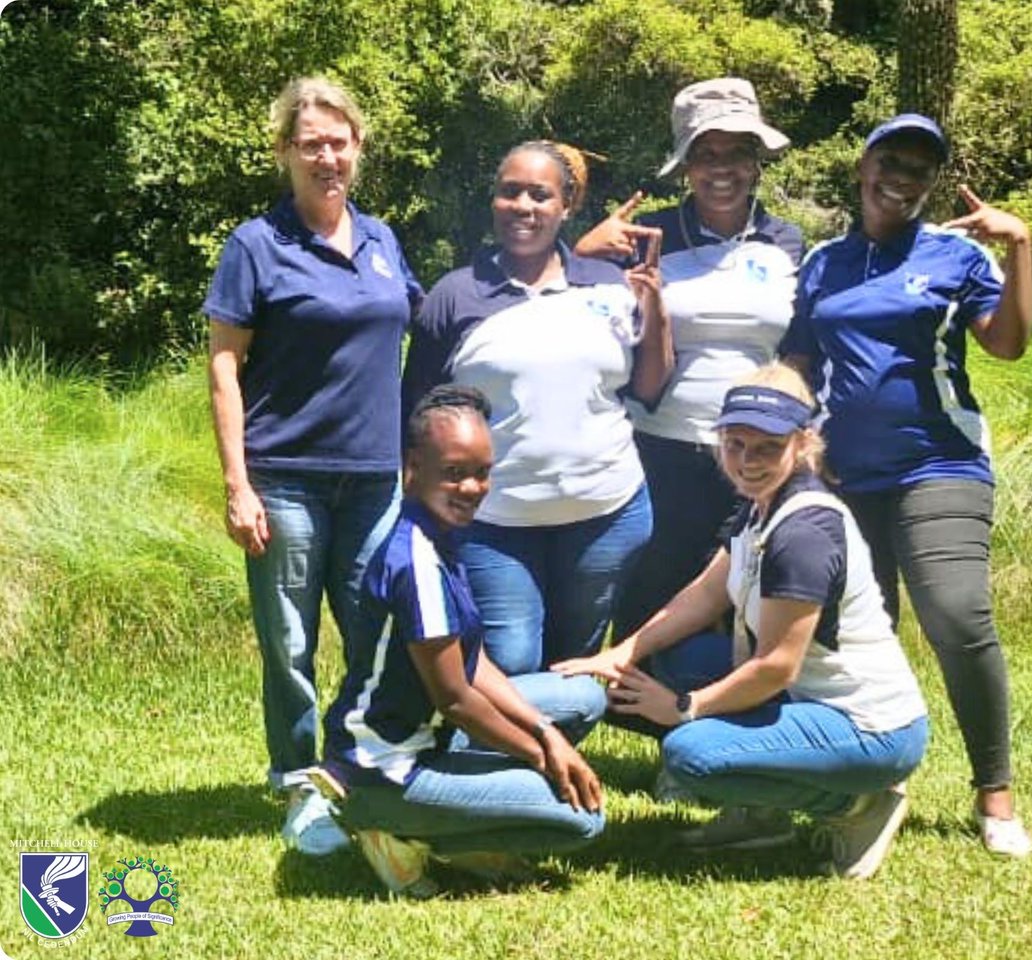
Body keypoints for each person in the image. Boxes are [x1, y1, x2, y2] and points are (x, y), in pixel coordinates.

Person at [555, 364, 928, 880]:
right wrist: (621, 653)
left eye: (767, 448)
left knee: (691, 755)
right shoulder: (760, 506)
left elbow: (776, 668)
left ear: (803, 443)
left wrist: (684, 708)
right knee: (675, 656)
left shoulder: (803, 534)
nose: (747, 462)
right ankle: (761, 813)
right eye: (735, 444)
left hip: (870, 729)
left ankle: (858, 806)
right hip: (810, 703)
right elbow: (705, 595)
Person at [779, 113, 1032, 857]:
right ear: (863, 167)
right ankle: (862, 781)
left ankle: (995, 794)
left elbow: (1009, 343)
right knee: (857, 633)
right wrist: (779, 432)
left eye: (922, 168)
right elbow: (800, 358)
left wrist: (1019, 246)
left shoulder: (956, 256)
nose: (905, 177)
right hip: (845, 476)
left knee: (956, 614)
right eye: (893, 160)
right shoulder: (823, 261)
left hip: (939, 463)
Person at [205, 77, 422, 855]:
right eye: (310, 145)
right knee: (290, 643)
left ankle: (352, 768)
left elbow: (417, 336)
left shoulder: (383, 241)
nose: (327, 157)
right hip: (286, 477)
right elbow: (225, 367)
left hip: (373, 480)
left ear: (358, 149)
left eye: (339, 142)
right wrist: (238, 483)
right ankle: (298, 784)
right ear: (285, 154)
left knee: (376, 632)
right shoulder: (254, 245)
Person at [312, 385, 606, 898]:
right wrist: (542, 756)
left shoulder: (440, 535)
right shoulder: (417, 563)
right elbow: (457, 698)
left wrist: (545, 730)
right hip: (383, 767)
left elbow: (475, 663)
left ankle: (453, 822)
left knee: (583, 699)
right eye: (454, 472)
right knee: (580, 819)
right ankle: (403, 831)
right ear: (412, 468)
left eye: (482, 472)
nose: (472, 487)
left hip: (429, 736)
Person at [401, 140, 671, 676]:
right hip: (493, 519)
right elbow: (418, 412)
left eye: (540, 194)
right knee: (513, 657)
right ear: (494, 201)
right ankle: (511, 754)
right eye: (510, 192)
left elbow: (648, 388)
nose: (524, 205)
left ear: (566, 207)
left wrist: (655, 306)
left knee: (575, 660)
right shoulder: (455, 297)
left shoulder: (609, 284)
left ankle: (557, 758)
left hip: (607, 512)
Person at [575, 77, 806, 640]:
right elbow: (566, 306)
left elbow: (799, 355)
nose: (721, 169)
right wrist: (582, 249)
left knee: (741, 607)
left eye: (737, 153)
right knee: (651, 601)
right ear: (685, 166)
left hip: (755, 453)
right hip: (662, 450)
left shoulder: (788, 243)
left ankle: (722, 722)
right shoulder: (647, 234)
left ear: (757, 162)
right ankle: (655, 719)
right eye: (706, 154)